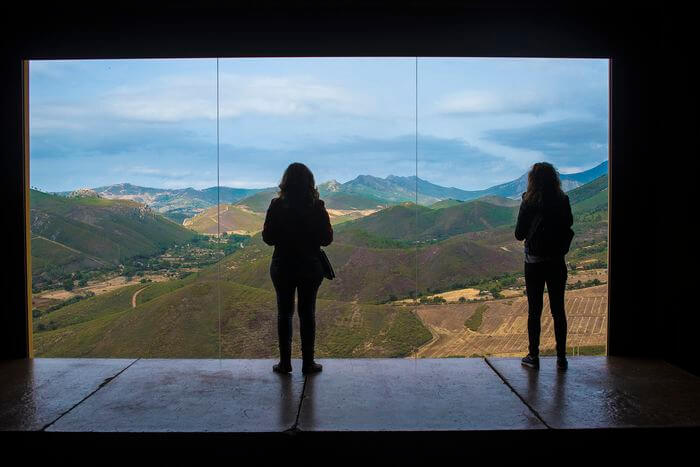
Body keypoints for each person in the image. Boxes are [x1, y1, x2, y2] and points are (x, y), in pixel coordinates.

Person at [262, 162, 333, 375]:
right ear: (310, 183)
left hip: (282, 265)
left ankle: (285, 364)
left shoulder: (277, 205)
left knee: (284, 314)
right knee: (307, 313)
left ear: (285, 183)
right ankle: (308, 363)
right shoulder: (317, 206)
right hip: (310, 267)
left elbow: (268, 238)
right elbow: (327, 239)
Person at [514, 162, 573, 371]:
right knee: (559, 310)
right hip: (557, 262)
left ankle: (534, 355)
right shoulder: (562, 200)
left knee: (534, 311)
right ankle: (562, 358)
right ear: (554, 179)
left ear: (532, 180)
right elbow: (568, 226)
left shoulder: (528, 202)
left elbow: (519, 234)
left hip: (534, 263)